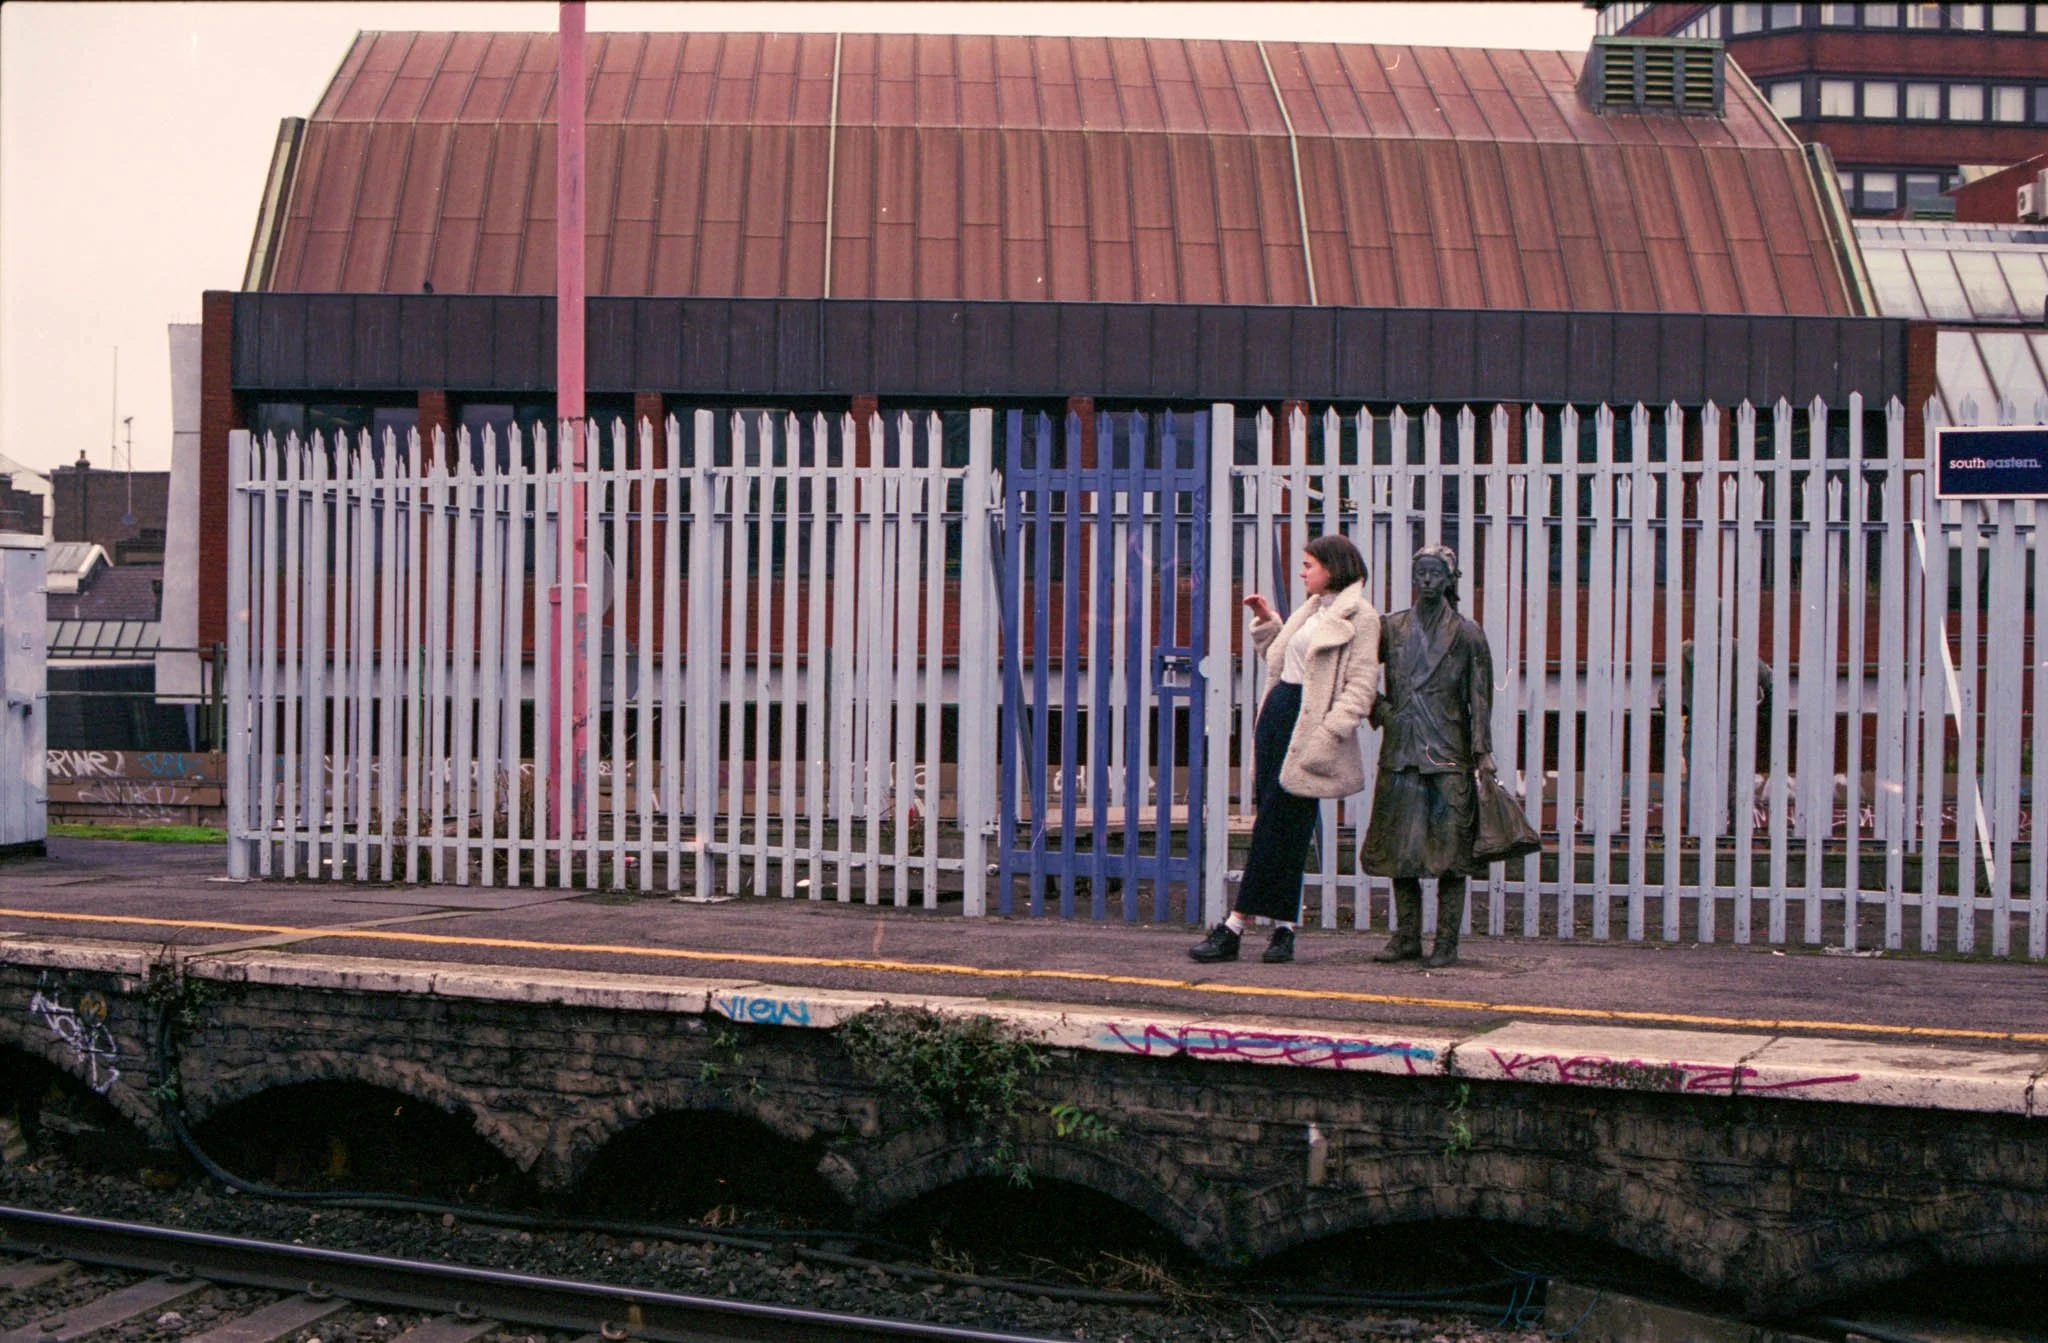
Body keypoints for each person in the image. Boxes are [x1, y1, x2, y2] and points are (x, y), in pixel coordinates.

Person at [1190, 534, 1381, 965]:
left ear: (1333, 568)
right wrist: (1267, 621)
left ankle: (1234, 927)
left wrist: (1329, 734)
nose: (1302, 573)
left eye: (1309, 565)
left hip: (1311, 728)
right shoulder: (1313, 609)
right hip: (1279, 715)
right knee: (1287, 827)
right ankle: (1283, 931)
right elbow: (1283, 661)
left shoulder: (1361, 616)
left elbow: (1361, 687)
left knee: (1276, 824)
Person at [1362, 545, 1494, 969]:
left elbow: (1480, 697)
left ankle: (1447, 942)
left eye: (1436, 574)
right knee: (1401, 850)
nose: (1427, 581)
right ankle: (1406, 938)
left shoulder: (1467, 633)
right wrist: (1381, 711)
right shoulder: (1392, 627)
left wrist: (1482, 751)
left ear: (1451, 579)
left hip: (1448, 752)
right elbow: (1357, 672)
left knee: (1452, 854)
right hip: (1401, 749)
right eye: (1421, 572)